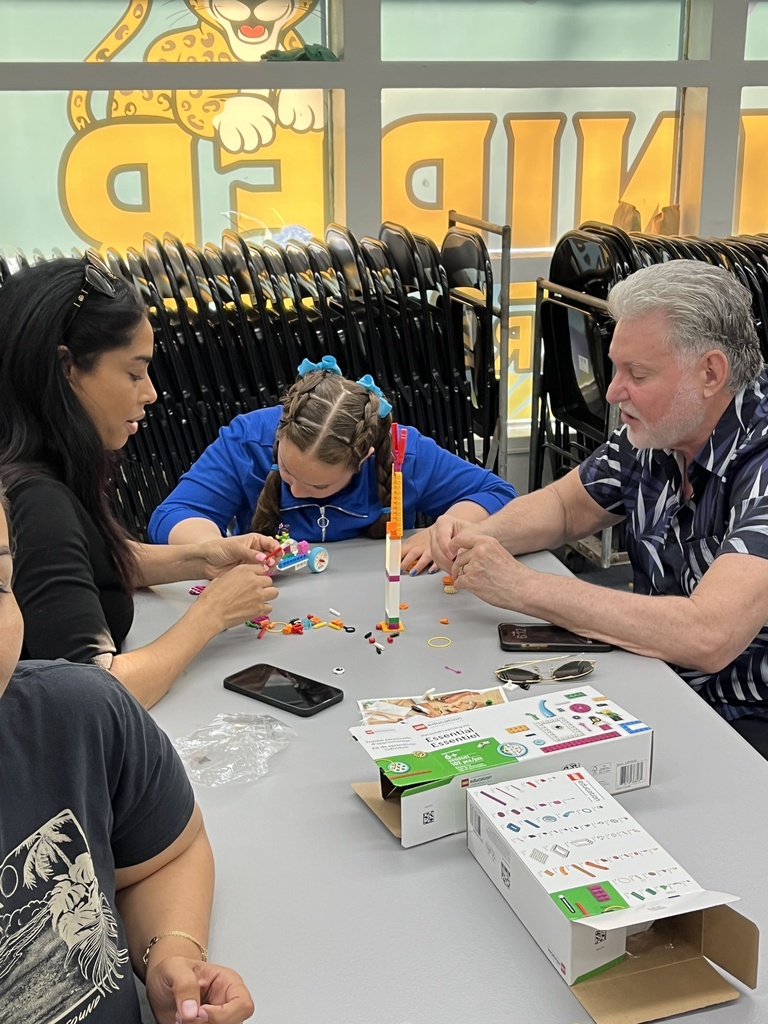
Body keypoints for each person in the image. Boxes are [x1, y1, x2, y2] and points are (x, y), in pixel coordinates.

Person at [427, 260, 768, 754]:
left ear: (710, 372)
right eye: (615, 367)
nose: (612, 391)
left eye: (638, 374)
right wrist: (478, 539)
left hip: (744, 727)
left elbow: (708, 634)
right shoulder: (663, 427)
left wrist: (520, 587)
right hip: (662, 681)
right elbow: (567, 506)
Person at [0, 484, 254, 1023]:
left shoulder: (78, 717)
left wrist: (170, 951)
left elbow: (165, 853)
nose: (153, 394)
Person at [0, 254, 279, 708]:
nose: (149, 392)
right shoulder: (35, 501)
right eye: (133, 373)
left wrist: (201, 558)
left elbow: (87, 561)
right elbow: (97, 694)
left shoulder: (37, 465)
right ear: (67, 369)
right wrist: (212, 612)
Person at [148, 354, 517, 572]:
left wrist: (447, 527)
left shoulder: (405, 452)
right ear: (280, 434)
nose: (295, 490)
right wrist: (213, 548)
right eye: (287, 471)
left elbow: (497, 493)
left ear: (364, 458)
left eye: (319, 487)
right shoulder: (247, 440)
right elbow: (173, 515)